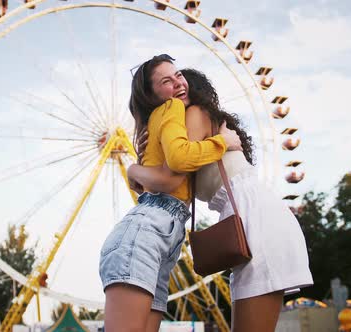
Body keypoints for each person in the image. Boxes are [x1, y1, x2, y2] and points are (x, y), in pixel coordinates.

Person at [128, 68, 314, 332]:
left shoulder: (194, 114)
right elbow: (164, 184)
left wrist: (134, 168)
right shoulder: (205, 131)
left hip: (255, 218)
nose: (173, 98)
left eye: (179, 82)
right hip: (258, 216)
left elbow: (170, 176)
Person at [98, 54, 243, 332]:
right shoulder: (173, 107)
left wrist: (134, 170)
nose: (178, 83)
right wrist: (222, 142)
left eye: (178, 75)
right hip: (146, 232)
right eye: (166, 81)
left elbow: (156, 177)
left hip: (160, 238)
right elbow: (176, 164)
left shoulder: (163, 119)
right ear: (153, 95)